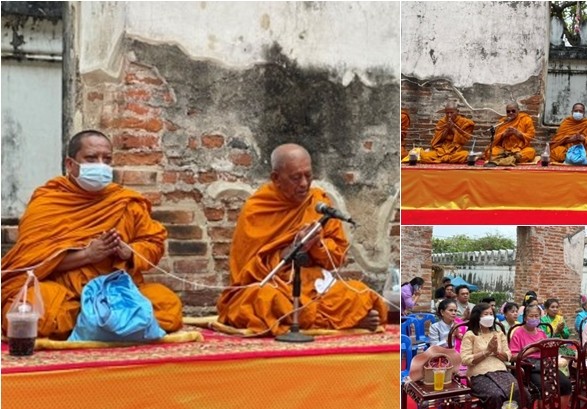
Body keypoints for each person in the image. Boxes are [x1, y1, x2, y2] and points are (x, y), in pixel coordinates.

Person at [0, 130, 183, 340]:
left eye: (107, 159)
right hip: (63, 292)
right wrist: (88, 255)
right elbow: (31, 262)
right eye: (91, 159)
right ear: (70, 165)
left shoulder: (124, 202)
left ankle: (95, 320)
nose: (101, 165)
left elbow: (153, 244)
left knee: (168, 306)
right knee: (30, 310)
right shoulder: (48, 202)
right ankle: (100, 319)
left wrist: (130, 252)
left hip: (114, 291)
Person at [216, 143, 387, 335]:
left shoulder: (317, 202)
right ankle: (343, 320)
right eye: (296, 178)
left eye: (308, 175)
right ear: (276, 178)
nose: (304, 184)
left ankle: (320, 319)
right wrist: (291, 250)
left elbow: (337, 258)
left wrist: (316, 244)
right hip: (277, 286)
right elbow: (247, 273)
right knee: (263, 300)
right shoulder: (257, 208)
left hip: (312, 286)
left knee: (358, 292)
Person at [509, 302, 572, 409]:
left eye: (537, 316)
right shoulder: (518, 333)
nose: (534, 318)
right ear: (525, 317)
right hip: (528, 367)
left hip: (546, 364)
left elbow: (548, 349)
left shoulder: (542, 333)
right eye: (531, 316)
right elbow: (513, 357)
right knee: (544, 387)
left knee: (566, 384)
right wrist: (532, 350)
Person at [460, 303, 520, 409]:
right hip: (479, 375)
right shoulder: (470, 335)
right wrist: (487, 352)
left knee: (520, 392)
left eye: (491, 314)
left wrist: (496, 352)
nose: (489, 317)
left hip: (501, 371)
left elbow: (508, 355)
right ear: (477, 317)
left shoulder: (498, 334)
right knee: (495, 395)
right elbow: (465, 359)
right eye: (485, 314)